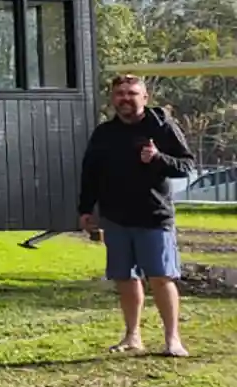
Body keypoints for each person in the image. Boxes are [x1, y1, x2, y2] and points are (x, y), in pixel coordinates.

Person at [78, 74, 195, 357]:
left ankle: (172, 340)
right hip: (116, 218)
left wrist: (158, 159)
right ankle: (132, 336)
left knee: (161, 277)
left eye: (132, 93)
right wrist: (85, 209)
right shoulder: (104, 133)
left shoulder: (162, 127)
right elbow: (90, 174)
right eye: (120, 93)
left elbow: (187, 166)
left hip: (154, 217)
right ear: (112, 99)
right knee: (125, 278)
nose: (125, 98)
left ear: (145, 98)